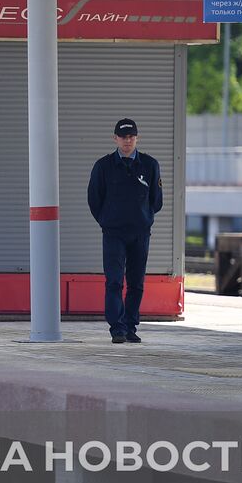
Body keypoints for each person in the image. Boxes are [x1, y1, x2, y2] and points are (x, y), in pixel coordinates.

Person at [87, 118, 163, 344]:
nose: (127, 140)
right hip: (114, 233)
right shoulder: (104, 166)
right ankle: (117, 328)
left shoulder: (150, 165)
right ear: (115, 139)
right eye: (123, 136)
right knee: (114, 281)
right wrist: (106, 221)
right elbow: (94, 198)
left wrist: (144, 219)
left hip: (140, 233)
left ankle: (130, 326)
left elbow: (156, 201)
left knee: (137, 282)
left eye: (131, 137)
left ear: (137, 138)